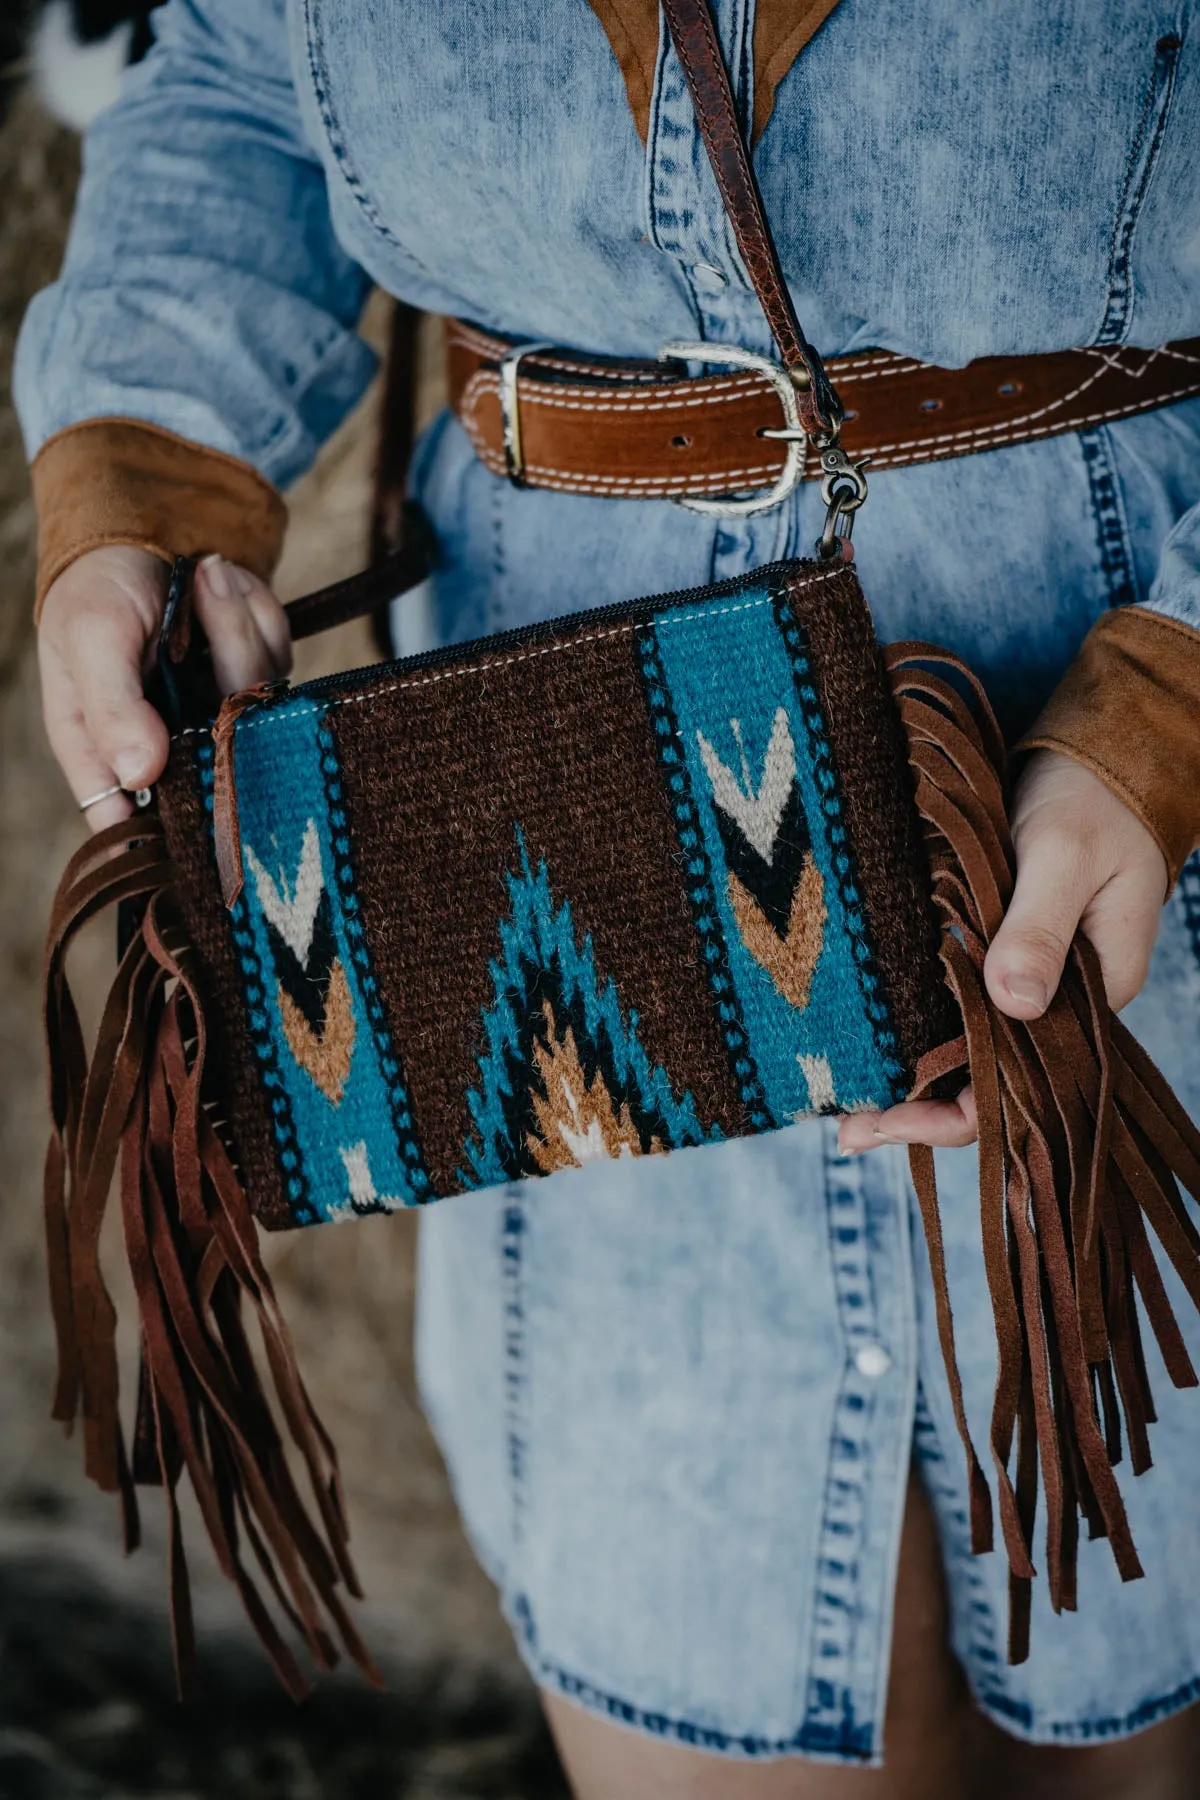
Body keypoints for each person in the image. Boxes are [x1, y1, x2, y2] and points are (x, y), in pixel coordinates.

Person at [13, 1, 1200, 1793]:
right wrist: (139, 476)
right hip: (549, 856)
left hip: (1125, 834)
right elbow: (246, 77)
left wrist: (1176, 706)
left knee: (1135, 1688)